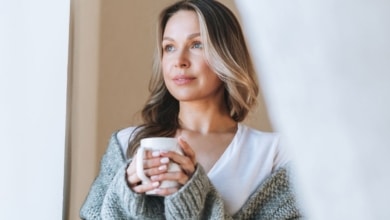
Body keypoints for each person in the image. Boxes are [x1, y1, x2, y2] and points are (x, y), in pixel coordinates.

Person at [80, 0, 302, 219]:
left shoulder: (275, 154)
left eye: (197, 44)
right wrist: (124, 192)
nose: (179, 61)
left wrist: (193, 197)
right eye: (169, 47)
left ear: (226, 53)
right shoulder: (126, 144)